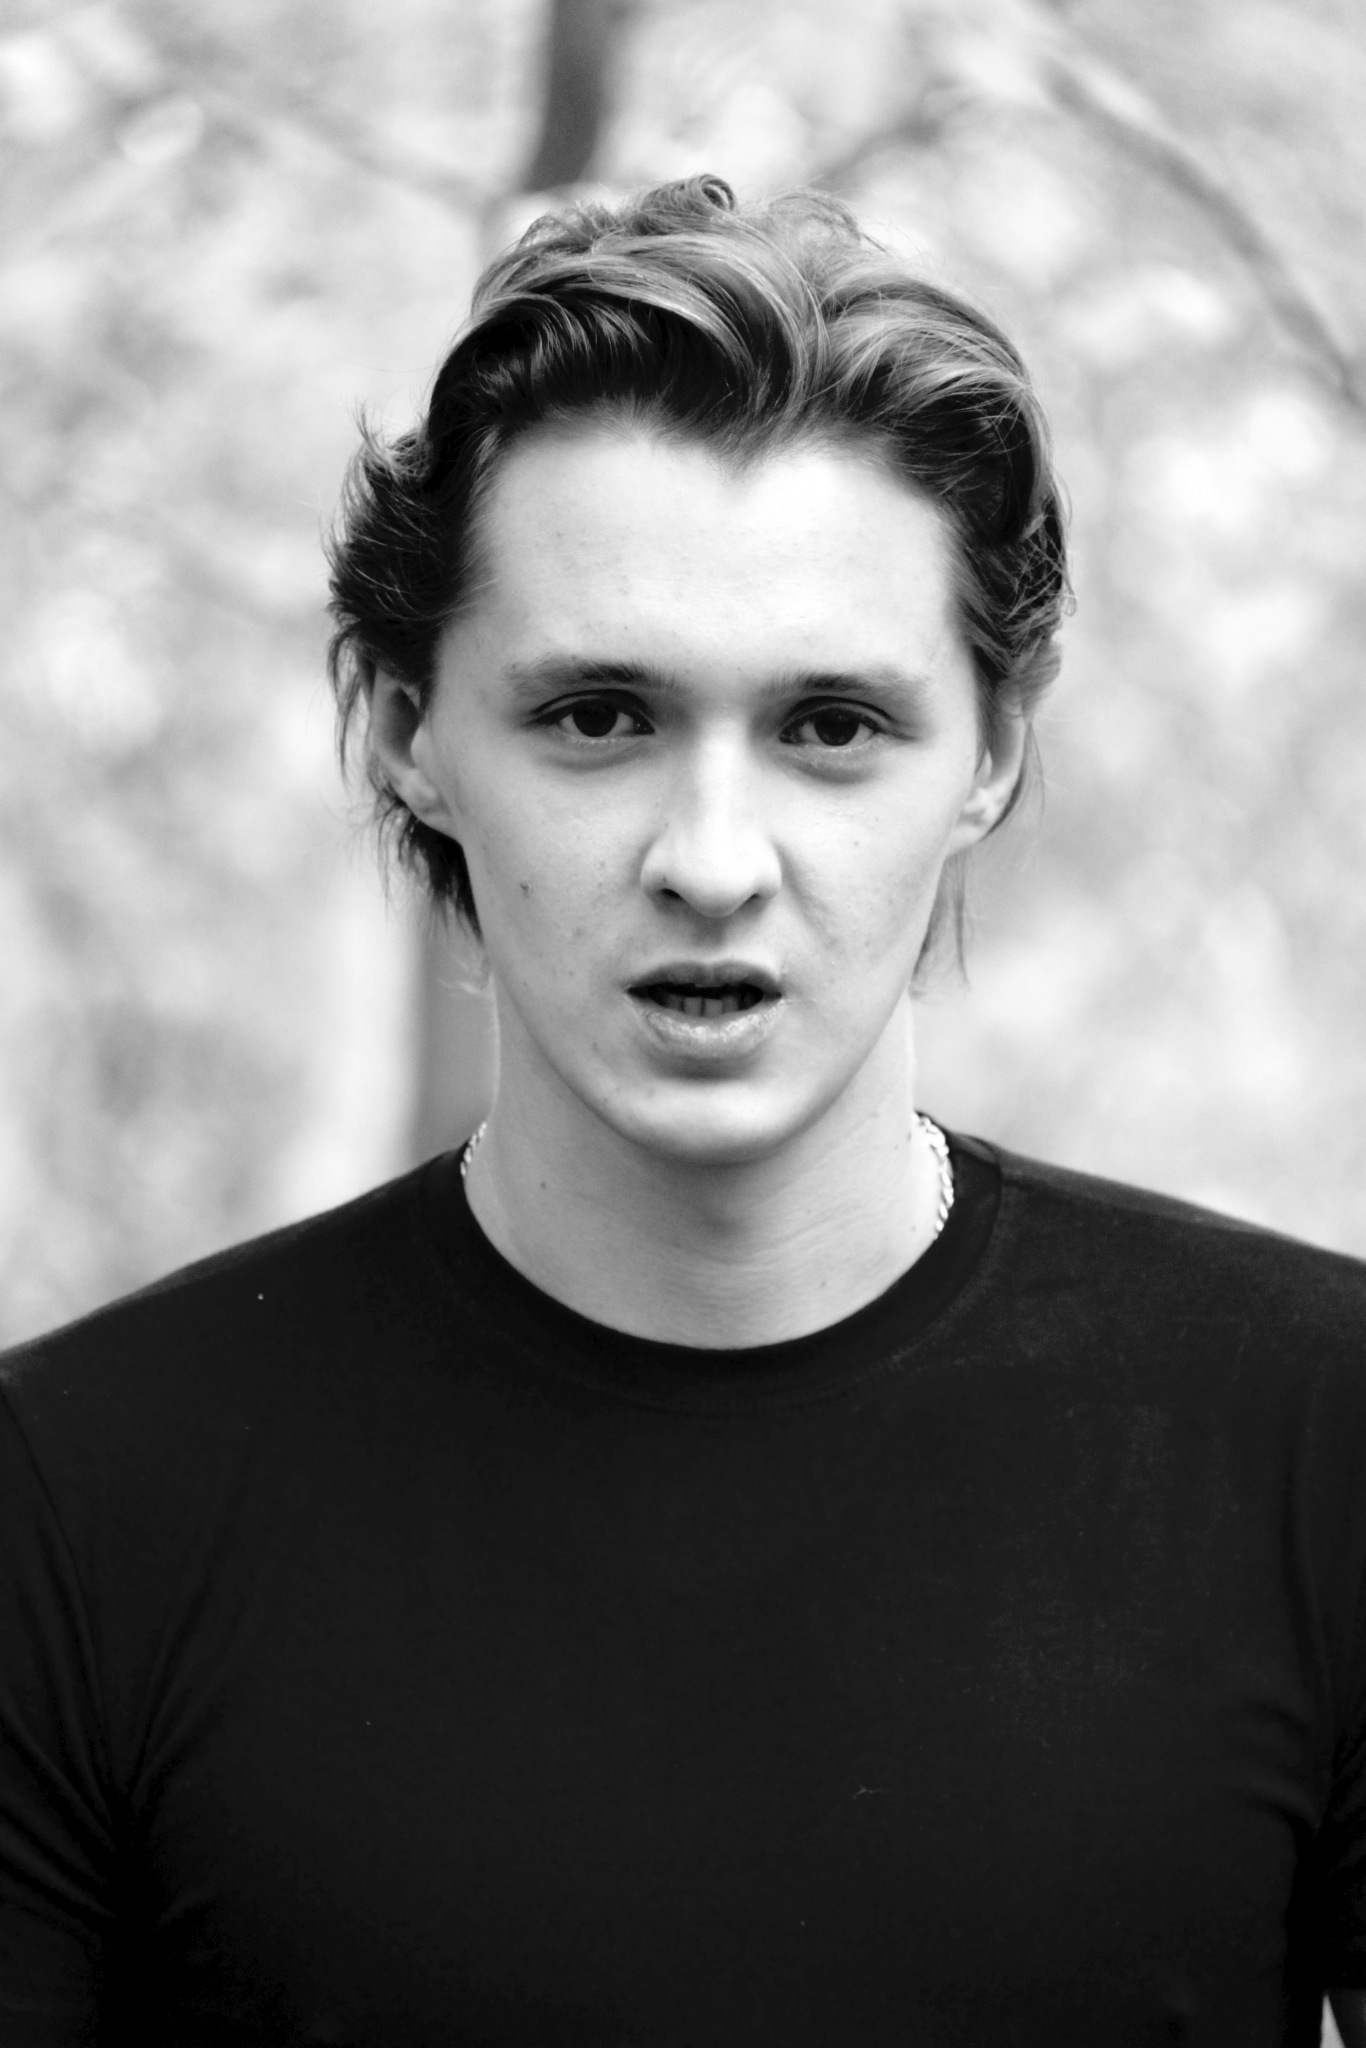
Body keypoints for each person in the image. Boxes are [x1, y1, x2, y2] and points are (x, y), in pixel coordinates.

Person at [2, 174, 1365, 2048]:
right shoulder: (68, 1506)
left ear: (991, 749)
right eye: (598, 717)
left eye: (829, 726)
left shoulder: (1318, 1444)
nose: (712, 861)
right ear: (408, 728)